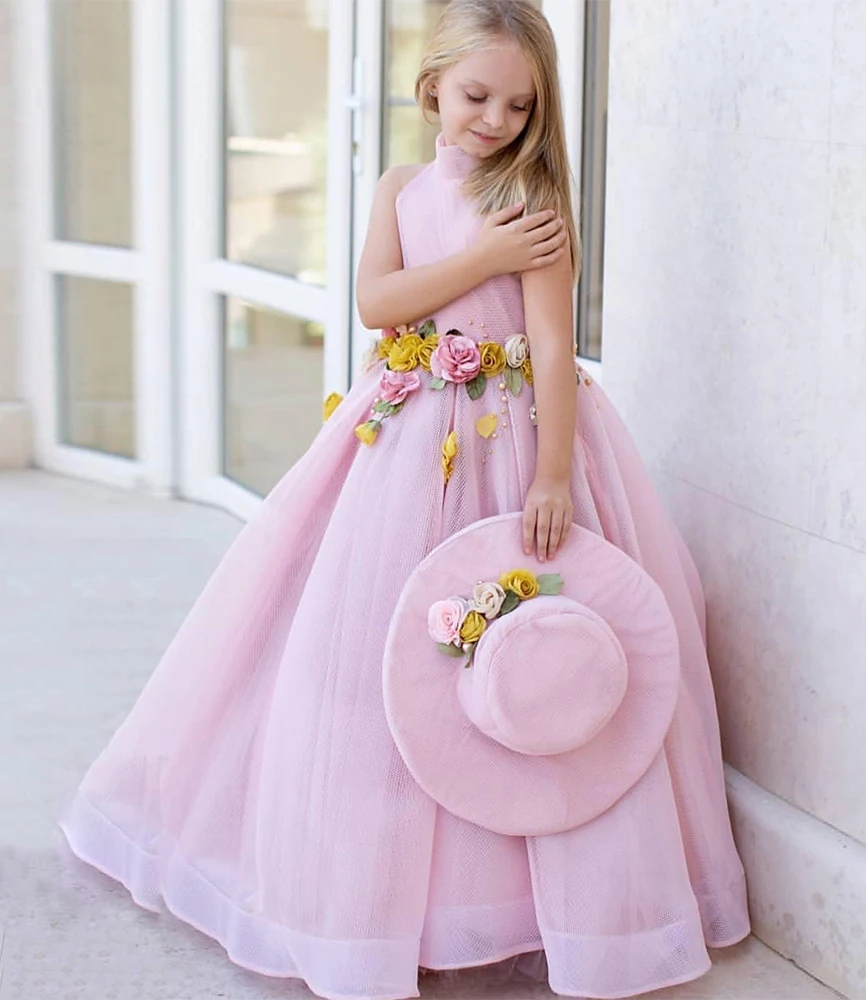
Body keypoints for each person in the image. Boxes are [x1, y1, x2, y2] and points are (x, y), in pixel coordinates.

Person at [55, 1, 751, 998]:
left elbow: (550, 345)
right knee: (379, 657)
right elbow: (379, 304)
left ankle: (519, 900)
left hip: (512, 443)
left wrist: (554, 473)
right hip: (408, 440)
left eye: (519, 104)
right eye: (476, 96)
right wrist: (481, 260)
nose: (495, 119)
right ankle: (382, 897)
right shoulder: (399, 188)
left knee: (517, 650)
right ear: (432, 87)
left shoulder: (535, 200)